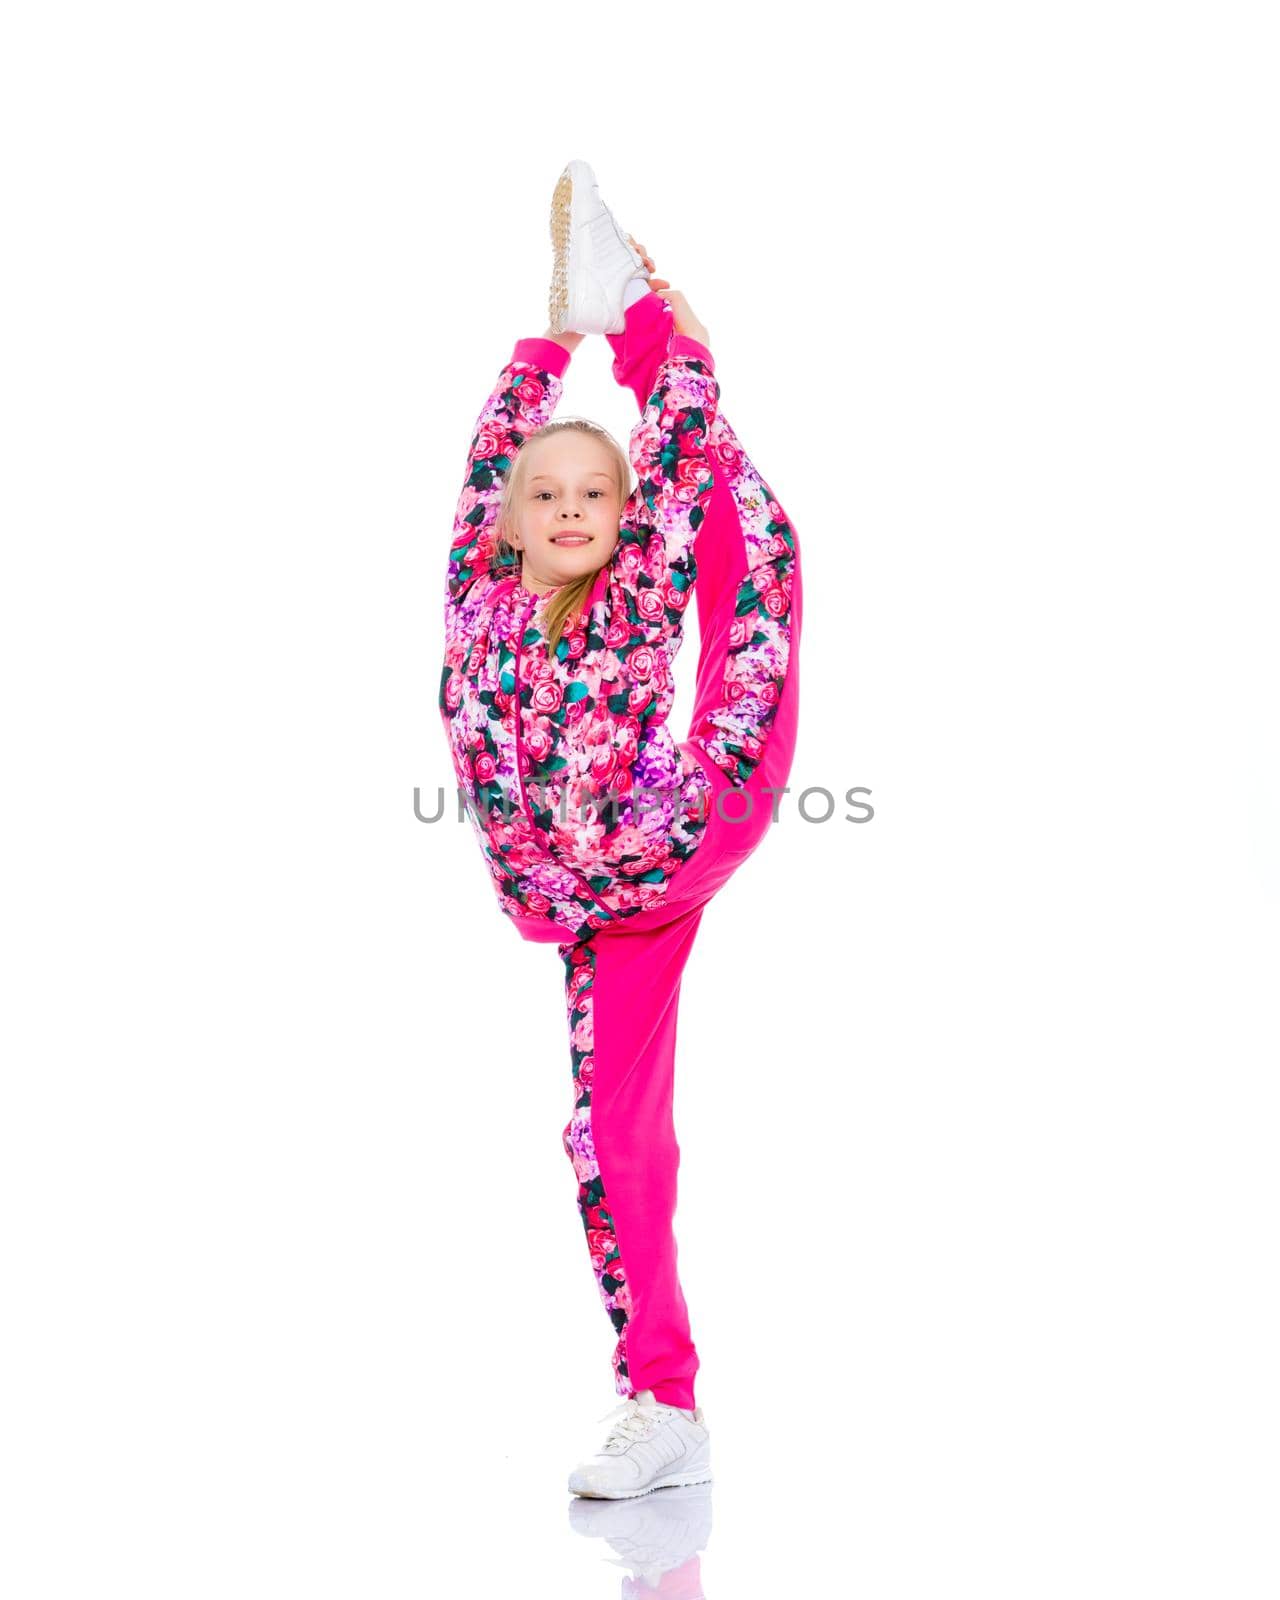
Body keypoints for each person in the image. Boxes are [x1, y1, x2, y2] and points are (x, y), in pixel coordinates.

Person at [438, 161, 803, 1498]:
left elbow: (675, 470)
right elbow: (495, 450)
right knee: (606, 1138)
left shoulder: (635, 589)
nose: (578, 506)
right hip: (596, 908)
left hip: (698, 808)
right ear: (514, 520)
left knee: (752, 541)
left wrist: (669, 353)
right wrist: (544, 337)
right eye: (554, 494)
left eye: (600, 492)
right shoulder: (478, 590)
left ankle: (649, 315)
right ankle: (664, 1405)